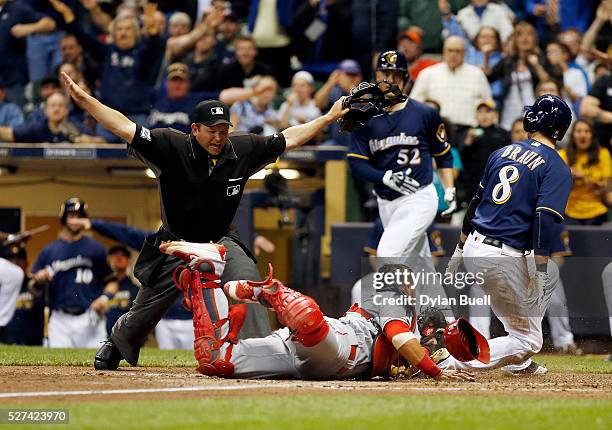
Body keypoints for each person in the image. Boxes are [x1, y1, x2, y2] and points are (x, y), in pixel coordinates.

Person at [60, 68, 349, 370]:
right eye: (212, 130)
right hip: (177, 241)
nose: (219, 137)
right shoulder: (170, 145)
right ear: (195, 129)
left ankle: (262, 351)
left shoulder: (243, 148)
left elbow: (287, 138)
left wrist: (328, 117)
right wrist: (85, 100)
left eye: (224, 130)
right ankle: (118, 342)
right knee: (146, 308)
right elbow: (123, 126)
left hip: (220, 239)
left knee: (248, 277)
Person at [162, 242, 475, 382]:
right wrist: (437, 373)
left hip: (298, 355)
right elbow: (396, 335)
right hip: (340, 347)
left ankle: (209, 272)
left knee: (216, 361)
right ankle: (273, 292)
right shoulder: (393, 299)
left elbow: (416, 351)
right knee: (310, 322)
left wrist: (436, 358)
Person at [443, 94, 573, 374]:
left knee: (521, 320)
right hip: (503, 255)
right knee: (528, 339)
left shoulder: (502, 152)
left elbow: (475, 203)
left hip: (479, 248)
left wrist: (459, 248)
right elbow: (544, 218)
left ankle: (519, 364)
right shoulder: (557, 166)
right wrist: (540, 268)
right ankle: (451, 363)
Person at [346, 50, 457, 318]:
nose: (390, 80)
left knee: (388, 253)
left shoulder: (424, 113)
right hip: (387, 201)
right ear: (376, 77)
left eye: (396, 75)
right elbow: (356, 163)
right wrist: (383, 177)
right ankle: (448, 329)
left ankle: (394, 326)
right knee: (423, 272)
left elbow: (443, 155)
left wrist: (450, 189)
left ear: (406, 79)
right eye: (385, 74)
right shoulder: (365, 116)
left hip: (419, 196)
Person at [29, 198, 119, 348]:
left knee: (98, 364)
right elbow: (32, 287)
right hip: (59, 319)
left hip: (90, 317)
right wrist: (39, 280)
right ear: (64, 218)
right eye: (72, 216)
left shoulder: (96, 248)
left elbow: (112, 281)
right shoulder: (49, 251)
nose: (75, 220)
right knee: (57, 367)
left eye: (79, 216)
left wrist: (105, 298)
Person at [410, 36, 492, 130]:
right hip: (436, 130)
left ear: (464, 53)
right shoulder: (428, 74)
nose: (453, 54)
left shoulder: (477, 74)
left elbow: (488, 104)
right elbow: (414, 105)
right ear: (444, 52)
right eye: (450, 50)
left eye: (457, 51)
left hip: (468, 131)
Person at [0, 0, 56, 107]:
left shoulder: (17, 9)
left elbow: (50, 23)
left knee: (18, 117)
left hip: (14, 81)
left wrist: (27, 29)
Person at [559, 120, 612, 225]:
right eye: (578, 131)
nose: (583, 135)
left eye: (587, 131)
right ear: (573, 135)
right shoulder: (562, 155)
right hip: (569, 211)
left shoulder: (603, 154)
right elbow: (557, 186)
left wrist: (585, 178)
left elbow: (607, 186)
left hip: (597, 210)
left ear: (593, 135)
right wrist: (570, 178)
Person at [0, 92, 100, 143]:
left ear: (67, 111)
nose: (56, 109)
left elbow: (102, 141)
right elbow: (10, 134)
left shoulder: (74, 127)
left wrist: (85, 140)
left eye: (60, 106)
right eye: (52, 106)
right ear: (46, 111)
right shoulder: (38, 128)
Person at [104, 246, 140, 338]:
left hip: (125, 338)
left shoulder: (135, 289)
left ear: (128, 261)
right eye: (115, 255)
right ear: (109, 260)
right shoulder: (101, 285)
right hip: (100, 335)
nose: (119, 258)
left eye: (123, 255)